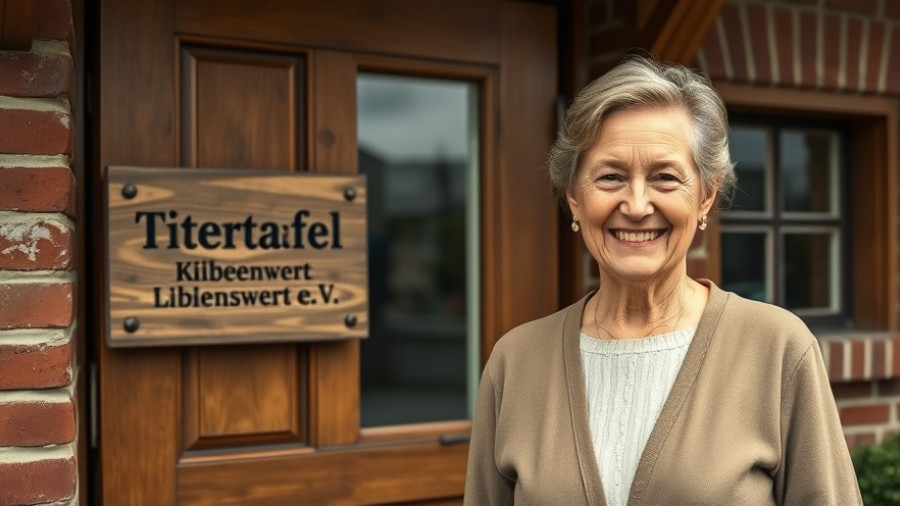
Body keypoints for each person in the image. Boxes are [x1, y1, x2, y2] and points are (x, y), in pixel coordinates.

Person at [463, 56, 862, 506]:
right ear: (574, 196)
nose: (636, 205)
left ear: (706, 195)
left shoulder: (778, 348)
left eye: (665, 178)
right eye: (610, 177)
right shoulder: (515, 362)